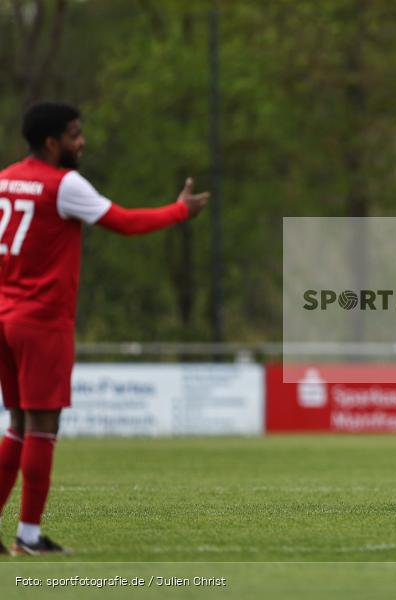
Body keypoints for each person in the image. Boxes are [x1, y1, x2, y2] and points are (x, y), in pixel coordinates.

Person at [0, 102, 209, 555]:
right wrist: (178, 212)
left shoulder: (4, 178)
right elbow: (124, 222)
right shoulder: (63, 183)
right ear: (53, 142)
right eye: (75, 134)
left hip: (5, 316)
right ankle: (29, 537)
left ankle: (18, 534)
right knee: (42, 425)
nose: (83, 141)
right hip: (41, 320)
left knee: (16, 424)